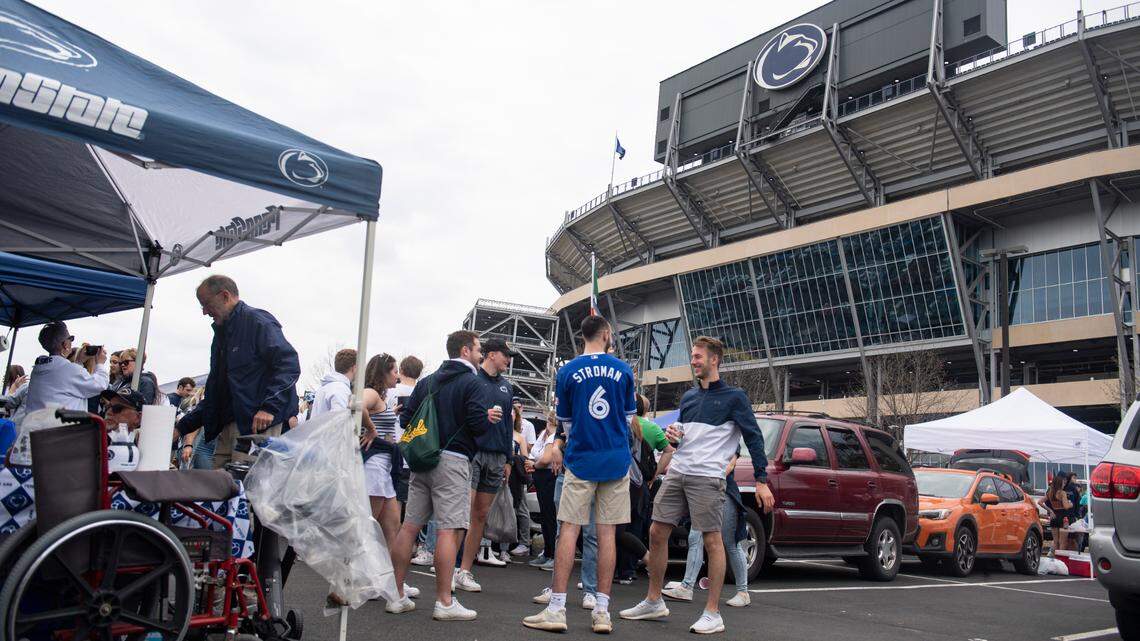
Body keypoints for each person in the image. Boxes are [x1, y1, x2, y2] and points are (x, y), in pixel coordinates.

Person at [620, 335, 774, 635]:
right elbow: (684, 436)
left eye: (698, 356)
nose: (693, 361)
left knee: (712, 540)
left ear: (714, 359)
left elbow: (754, 438)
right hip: (678, 471)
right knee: (656, 531)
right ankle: (654, 601)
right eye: (692, 356)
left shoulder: (735, 398)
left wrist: (761, 480)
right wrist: (677, 435)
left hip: (707, 477)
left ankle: (713, 613)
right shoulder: (689, 397)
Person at [524, 315, 635, 635]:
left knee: (568, 530)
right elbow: (627, 420)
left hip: (582, 460)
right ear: (605, 334)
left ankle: (557, 607)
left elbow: (566, 424)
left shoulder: (568, 371)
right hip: (615, 460)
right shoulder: (623, 370)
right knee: (607, 535)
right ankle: (602, 609)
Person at [389, 330, 499, 620]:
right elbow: (477, 424)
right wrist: (487, 420)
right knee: (448, 530)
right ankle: (444, 602)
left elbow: (405, 418)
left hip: (422, 459)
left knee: (409, 526)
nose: (480, 354)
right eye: (477, 350)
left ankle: (396, 594)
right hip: (453, 461)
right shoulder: (473, 383)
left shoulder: (427, 381)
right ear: (465, 351)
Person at [175, 275, 300, 469]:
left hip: (256, 426)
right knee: (218, 484)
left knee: (247, 486)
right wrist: (182, 427)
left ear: (225, 296)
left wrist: (269, 407)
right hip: (229, 424)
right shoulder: (221, 336)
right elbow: (217, 391)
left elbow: (288, 364)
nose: (204, 312)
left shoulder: (258, 322)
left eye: (207, 304)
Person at [455, 337, 517, 588]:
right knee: (462, 514)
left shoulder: (506, 387)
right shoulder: (472, 380)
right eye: (505, 354)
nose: (509, 359)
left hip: (497, 456)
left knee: (480, 515)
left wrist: (508, 458)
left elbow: (508, 424)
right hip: (473, 453)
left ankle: (464, 571)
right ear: (492, 354)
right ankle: (449, 565)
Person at [662, 452, 751, 608]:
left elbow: (729, 465)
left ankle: (743, 592)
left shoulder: (729, 437)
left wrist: (706, 483)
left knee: (731, 542)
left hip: (723, 493)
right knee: (695, 537)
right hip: (705, 493)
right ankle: (687, 586)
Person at [22, 322, 108, 416]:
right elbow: (100, 385)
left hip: (35, 427)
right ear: (65, 344)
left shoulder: (37, 370)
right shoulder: (68, 370)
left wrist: (79, 362)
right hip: (62, 429)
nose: (71, 342)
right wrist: (100, 364)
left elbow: (65, 382)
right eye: (71, 339)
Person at [526, 411, 560, 570]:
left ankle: (552, 553)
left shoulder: (553, 437)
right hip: (542, 477)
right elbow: (537, 453)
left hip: (548, 476)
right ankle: (548, 552)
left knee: (550, 517)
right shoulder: (545, 436)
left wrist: (533, 464)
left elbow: (545, 459)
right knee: (546, 517)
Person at [1042, 472, 1073, 552]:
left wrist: (1050, 510)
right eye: (1063, 483)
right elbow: (1066, 506)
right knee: (1063, 542)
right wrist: (1071, 504)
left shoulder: (1050, 492)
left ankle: (1055, 561)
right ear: (1060, 483)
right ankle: (1061, 561)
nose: (1064, 484)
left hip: (1054, 517)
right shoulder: (1062, 493)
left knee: (1055, 542)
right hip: (1064, 518)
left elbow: (1039, 502)